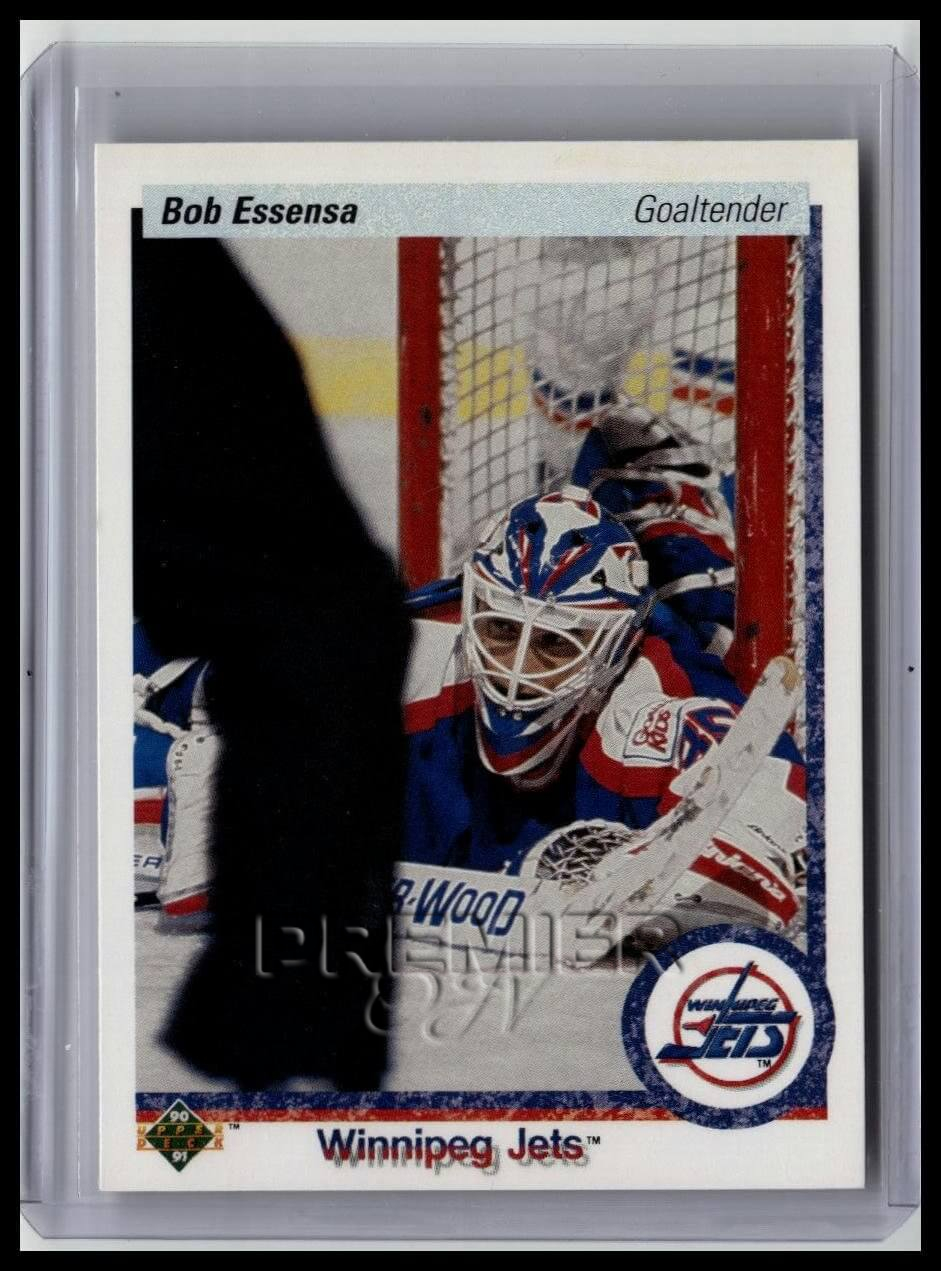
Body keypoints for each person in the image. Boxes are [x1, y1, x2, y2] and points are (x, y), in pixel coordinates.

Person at [402, 483, 805, 938]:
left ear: (615, 648)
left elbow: (773, 806)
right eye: (501, 629)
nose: (517, 669)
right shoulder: (414, 658)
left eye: (555, 642)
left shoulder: (654, 707)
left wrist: (672, 881)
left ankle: (670, 501)